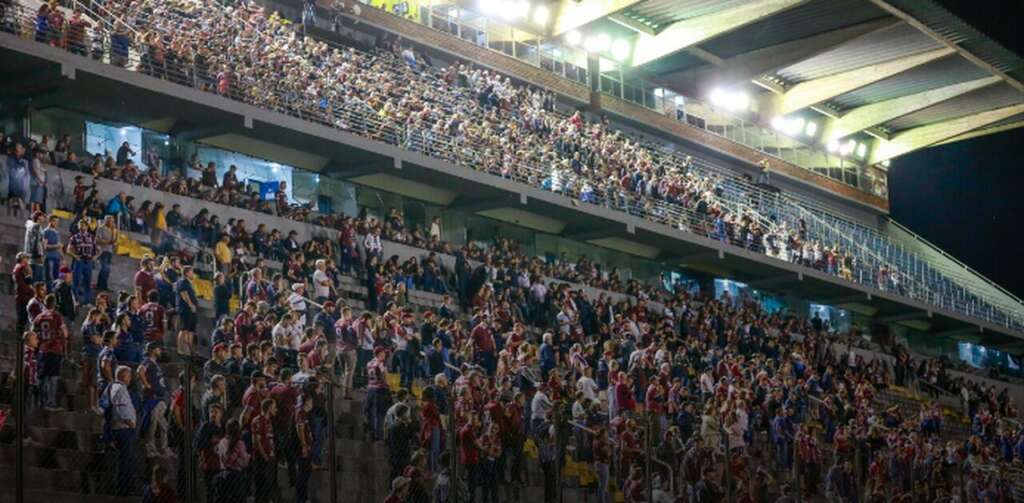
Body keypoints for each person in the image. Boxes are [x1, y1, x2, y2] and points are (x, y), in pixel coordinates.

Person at [33, 294, 68, 411]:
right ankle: (50, 402)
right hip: (55, 349)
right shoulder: (57, 316)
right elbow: (65, 333)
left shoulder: (38, 317)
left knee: (41, 377)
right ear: (55, 303)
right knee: (53, 377)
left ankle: (39, 401)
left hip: (42, 350)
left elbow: (34, 333)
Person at [107, 365, 137, 496]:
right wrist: (130, 422)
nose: (130, 379)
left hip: (121, 428)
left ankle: (125, 488)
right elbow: (121, 407)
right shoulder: (120, 388)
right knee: (126, 460)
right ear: (122, 376)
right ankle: (123, 489)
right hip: (123, 429)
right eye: (128, 376)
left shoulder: (116, 387)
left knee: (126, 460)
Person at [138, 342, 170, 458]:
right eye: (158, 349)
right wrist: (147, 385)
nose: (160, 351)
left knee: (164, 426)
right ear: (152, 350)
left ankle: (164, 448)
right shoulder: (147, 361)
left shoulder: (155, 363)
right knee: (152, 425)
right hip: (152, 398)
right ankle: (150, 448)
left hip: (159, 398)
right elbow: (139, 371)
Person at [175, 266, 198, 353]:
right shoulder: (183, 282)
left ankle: (189, 349)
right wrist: (191, 305)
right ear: (187, 273)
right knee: (184, 329)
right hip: (185, 308)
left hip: (191, 310)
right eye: (191, 272)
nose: (193, 274)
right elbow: (184, 294)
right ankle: (180, 349)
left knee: (190, 330)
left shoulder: (189, 283)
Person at [95, 215, 118, 291]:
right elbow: (97, 240)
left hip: (109, 251)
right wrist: (107, 242)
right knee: (104, 268)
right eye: (110, 221)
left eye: (112, 221)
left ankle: (103, 285)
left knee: (107, 269)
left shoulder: (112, 230)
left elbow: (114, 241)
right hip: (102, 251)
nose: (111, 223)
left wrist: (114, 231)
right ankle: (100, 285)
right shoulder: (101, 228)